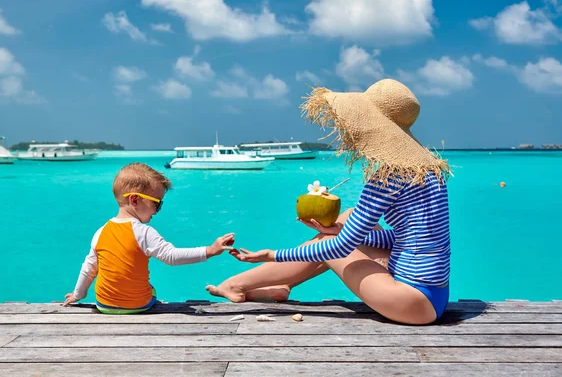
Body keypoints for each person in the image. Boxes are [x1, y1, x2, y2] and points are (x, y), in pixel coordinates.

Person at [207, 79, 451, 325]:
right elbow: (410, 238)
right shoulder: (429, 173)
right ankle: (280, 283)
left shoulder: (388, 177)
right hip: (435, 296)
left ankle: (239, 284)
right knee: (346, 219)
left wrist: (272, 255)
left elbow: (341, 248)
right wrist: (350, 232)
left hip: (410, 301)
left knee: (329, 240)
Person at [63, 162, 235, 314]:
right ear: (135, 200)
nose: (156, 210)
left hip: (105, 305)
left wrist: (78, 294)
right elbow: (171, 256)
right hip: (138, 305)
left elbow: (89, 268)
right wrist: (211, 250)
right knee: (151, 289)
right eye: (157, 204)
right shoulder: (143, 232)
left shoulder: (100, 232)